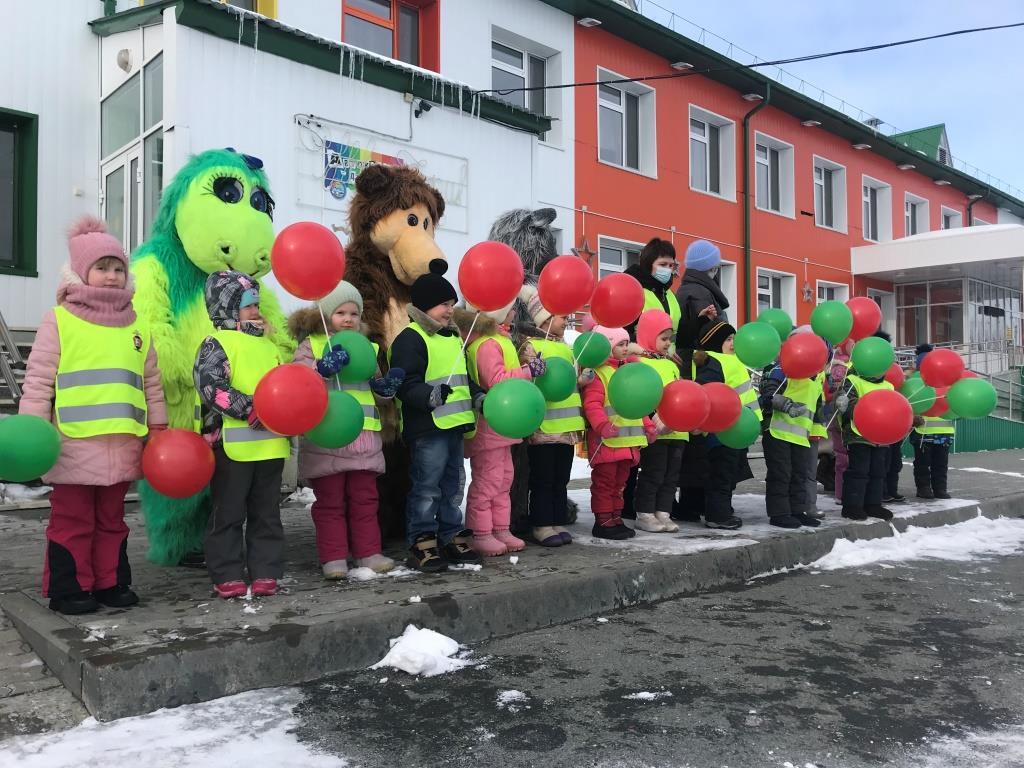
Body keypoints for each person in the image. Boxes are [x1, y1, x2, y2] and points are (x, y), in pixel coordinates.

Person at [19, 216, 167, 615]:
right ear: (81, 271)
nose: (112, 276)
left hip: (123, 442)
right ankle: (69, 588)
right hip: (72, 442)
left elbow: (151, 382)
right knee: (72, 519)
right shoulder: (60, 320)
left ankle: (109, 582)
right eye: (102, 267)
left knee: (113, 519)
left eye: (119, 268)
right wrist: (34, 430)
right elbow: (38, 379)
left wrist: (159, 426)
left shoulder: (139, 325)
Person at [289, 281, 402, 579]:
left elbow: (374, 387)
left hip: (364, 439)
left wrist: (385, 389)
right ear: (326, 315)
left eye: (354, 312)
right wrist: (320, 368)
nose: (348, 318)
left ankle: (369, 552)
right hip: (328, 440)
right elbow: (298, 382)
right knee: (330, 503)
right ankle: (334, 557)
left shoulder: (367, 347)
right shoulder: (311, 346)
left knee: (366, 501)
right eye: (340, 312)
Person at [194, 271, 288, 599]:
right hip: (230, 446)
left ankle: (265, 570)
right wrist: (252, 407)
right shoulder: (216, 344)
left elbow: (285, 388)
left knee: (267, 514)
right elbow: (211, 387)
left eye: (257, 304)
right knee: (228, 512)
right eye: (248, 305)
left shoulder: (269, 346)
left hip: (270, 445)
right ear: (227, 308)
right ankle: (227, 572)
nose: (256, 310)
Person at [389, 259, 483, 572]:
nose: (449, 310)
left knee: (453, 484)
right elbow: (404, 382)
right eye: (444, 304)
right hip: (428, 428)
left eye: (452, 304)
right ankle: (421, 540)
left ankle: (450, 533)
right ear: (425, 306)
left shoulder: (453, 338)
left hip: (454, 426)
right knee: (427, 487)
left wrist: (478, 395)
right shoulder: (411, 338)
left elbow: (462, 378)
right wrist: (427, 396)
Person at [462, 300, 545, 556]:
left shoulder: (499, 339)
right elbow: (496, 381)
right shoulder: (487, 344)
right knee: (488, 481)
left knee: (503, 480)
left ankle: (500, 528)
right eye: (509, 307)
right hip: (489, 424)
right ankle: (481, 533)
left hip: (502, 426)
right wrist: (528, 372)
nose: (514, 312)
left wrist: (524, 370)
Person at [519, 286, 589, 547]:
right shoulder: (532, 346)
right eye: (560, 316)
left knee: (561, 479)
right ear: (544, 320)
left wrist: (581, 380)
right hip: (544, 428)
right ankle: (541, 524)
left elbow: (566, 383)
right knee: (543, 479)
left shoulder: (566, 348)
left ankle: (556, 520)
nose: (566, 320)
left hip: (567, 428)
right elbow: (531, 382)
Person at [582, 325, 657, 539]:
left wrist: (648, 425)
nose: (625, 348)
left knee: (619, 484)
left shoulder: (628, 372)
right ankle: (603, 520)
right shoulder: (599, 374)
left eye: (626, 344)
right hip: (607, 441)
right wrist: (602, 426)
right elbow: (593, 405)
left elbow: (637, 404)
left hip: (627, 442)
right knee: (605, 483)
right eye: (619, 344)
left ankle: (616, 517)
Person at [688, 321, 755, 529]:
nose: (733, 343)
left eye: (734, 338)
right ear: (715, 342)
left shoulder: (728, 360)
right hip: (722, 430)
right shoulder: (716, 362)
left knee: (725, 472)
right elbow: (702, 389)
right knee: (722, 474)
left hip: (734, 427)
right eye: (728, 339)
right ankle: (718, 515)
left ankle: (713, 509)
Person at [758, 329, 827, 529]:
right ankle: (779, 513)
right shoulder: (779, 370)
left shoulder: (814, 378)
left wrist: (817, 432)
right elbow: (767, 395)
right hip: (777, 433)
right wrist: (784, 404)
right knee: (781, 474)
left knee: (799, 474)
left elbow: (817, 409)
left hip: (801, 437)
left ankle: (798, 510)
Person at [632, 310, 686, 532]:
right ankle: (644, 513)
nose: (667, 344)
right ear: (647, 335)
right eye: (663, 338)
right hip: (656, 429)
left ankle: (663, 511)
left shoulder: (671, 364)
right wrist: (656, 417)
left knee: (671, 474)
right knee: (654, 471)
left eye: (670, 339)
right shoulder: (641, 363)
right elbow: (643, 395)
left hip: (678, 430)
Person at [833, 352, 896, 522]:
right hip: (858, 434)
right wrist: (866, 411)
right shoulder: (853, 381)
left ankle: (873, 504)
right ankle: (852, 506)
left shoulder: (889, 386)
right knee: (859, 471)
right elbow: (844, 404)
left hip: (881, 437)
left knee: (878, 471)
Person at [675, 239, 730, 374]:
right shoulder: (700, 292)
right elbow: (709, 335)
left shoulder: (687, 288)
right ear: (710, 267)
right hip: (701, 364)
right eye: (716, 265)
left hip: (690, 361)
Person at [910, 344, 953, 500]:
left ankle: (940, 488)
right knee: (923, 463)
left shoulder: (947, 382)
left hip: (944, 432)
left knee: (940, 464)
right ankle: (923, 488)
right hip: (922, 432)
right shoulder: (915, 382)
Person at [624, 238, 681, 342]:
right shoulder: (634, 292)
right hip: (640, 357)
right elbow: (622, 335)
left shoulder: (670, 294)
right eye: (662, 265)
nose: (668, 269)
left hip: (667, 358)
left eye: (671, 265)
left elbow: (680, 333)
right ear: (648, 265)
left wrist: (700, 319)